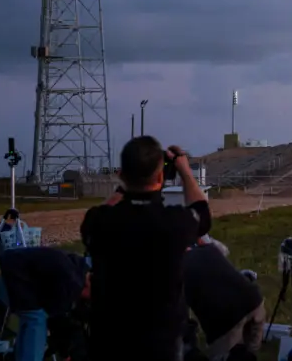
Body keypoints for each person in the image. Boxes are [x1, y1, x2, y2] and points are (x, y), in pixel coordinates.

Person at [81, 137, 212, 361]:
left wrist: (125, 188)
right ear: (161, 177)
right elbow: (202, 213)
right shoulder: (174, 223)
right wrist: (185, 172)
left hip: (108, 342)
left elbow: (100, 215)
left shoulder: (99, 221)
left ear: (121, 175)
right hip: (160, 344)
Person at [0, 246, 89, 361]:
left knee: (32, 317)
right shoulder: (71, 282)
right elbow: (57, 322)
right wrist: (65, 354)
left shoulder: (76, 268)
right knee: (36, 318)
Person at [183, 237, 265, 361]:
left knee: (222, 356)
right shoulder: (209, 248)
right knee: (248, 354)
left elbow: (176, 309)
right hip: (254, 301)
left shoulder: (176, 269)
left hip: (227, 319)